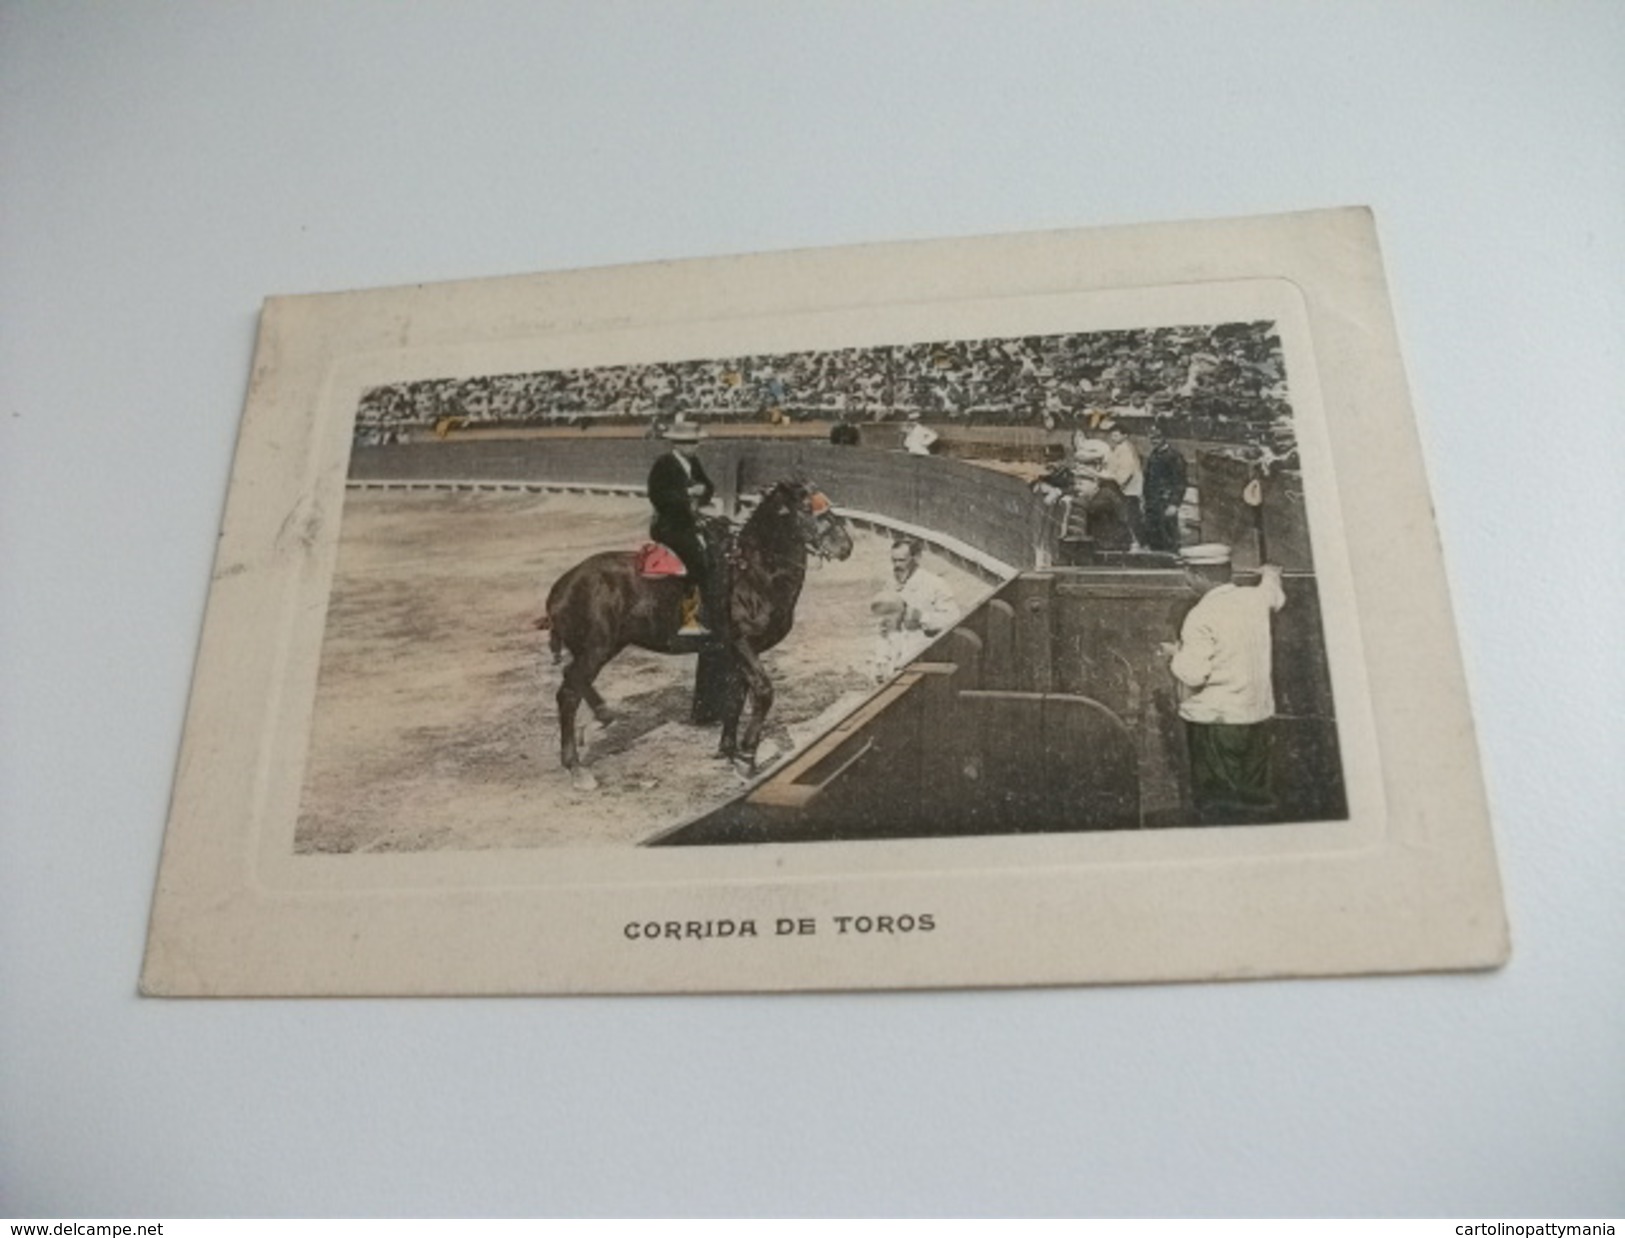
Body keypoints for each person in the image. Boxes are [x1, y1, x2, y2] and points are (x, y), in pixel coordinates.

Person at [1164, 544, 1287, 824]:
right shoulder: (1254, 598)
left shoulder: (1200, 615)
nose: (1186, 579)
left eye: (1188, 573)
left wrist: (1176, 654)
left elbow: (1193, 674)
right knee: (1254, 801)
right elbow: (1275, 596)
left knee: (1219, 807)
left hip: (1216, 725)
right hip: (1257, 716)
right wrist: (1271, 573)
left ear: (1198, 575)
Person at [646, 420, 716, 635]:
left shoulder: (693, 462)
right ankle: (689, 619)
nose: (694, 446)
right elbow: (657, 495)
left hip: (690, 522)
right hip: (670, 525)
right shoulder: (664, 464)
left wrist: (703, 490)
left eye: (695, 442)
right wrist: (687, 495)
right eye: (689, 443)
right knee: (696, 561)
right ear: (676, 444)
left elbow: (709, 487)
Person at [870, 538, 961, 682]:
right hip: (895, 664)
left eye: (901, 560)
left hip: (924, 663)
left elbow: (954, 620)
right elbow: (884, 628)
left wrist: (922, 617)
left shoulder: (935, 584)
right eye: (893, 560)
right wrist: (880, 660)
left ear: (916, 558)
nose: (896, 566)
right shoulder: (890, 585)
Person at [1142, 423, 1189, 552]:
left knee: (1168, 536)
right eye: (1151, 438)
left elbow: (1180, 482)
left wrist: (1174, 504)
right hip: (1152, 502)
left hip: (1166, 502)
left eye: (1157, 438)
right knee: (1153, 535)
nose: (1154, 441)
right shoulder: (1153, 455)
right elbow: (1148, 479)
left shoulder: (1174, 456)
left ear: (1164, 437)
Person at [1101, 419, 1145, 548]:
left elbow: (1126, 470)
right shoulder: (1119, 448)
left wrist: (1115, 480)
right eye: (1112, 435)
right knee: (1128, 514)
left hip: (1129, 489)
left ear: (1124, 435)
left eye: (1116, 435)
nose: (1113, 437)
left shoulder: (1125, 449)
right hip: (1125, 486)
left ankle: (1136, 541)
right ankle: (1132, 540)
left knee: (1130, 515)